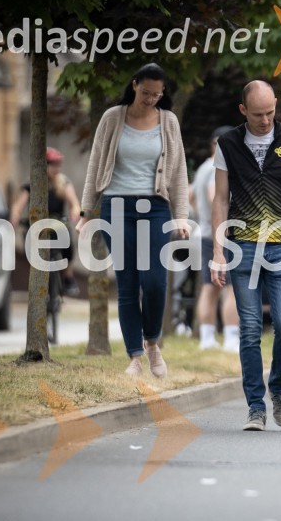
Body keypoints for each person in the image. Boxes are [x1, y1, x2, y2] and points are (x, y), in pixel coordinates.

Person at [210, 79, 281, 432]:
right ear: (243, 111)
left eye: (271, 112)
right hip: (242, 246)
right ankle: (256, 406)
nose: (266, 120)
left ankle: (279, 389)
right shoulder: (227, 144)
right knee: (251, 329)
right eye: (258, 115)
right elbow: (221, 199)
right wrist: (217, 250)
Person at [76, 63, 190, 379]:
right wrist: (87, 212)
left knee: (154, 281)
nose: (151, 98)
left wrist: (181, 216)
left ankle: (152, 342)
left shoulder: (168, 122)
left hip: (155, 207)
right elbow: (95, 164)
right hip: (117, 206)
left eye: (157, 94)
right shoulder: (113, 118)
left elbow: (179, 171)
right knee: (127, 284)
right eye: (146, 92)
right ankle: (135, 355)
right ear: (134, 84)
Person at [189, 126, 240, 352]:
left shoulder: (202, 169)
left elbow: (191, 197)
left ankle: (207, 339)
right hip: (222, 235)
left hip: (206, 233)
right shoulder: (216, 169)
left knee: (209, 287)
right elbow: (214, 198)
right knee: (232, 288)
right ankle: (231, 339)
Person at [10, 147, 82, 296]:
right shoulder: (31, 184)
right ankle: (37, 280)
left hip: (57, 224)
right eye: (52, 164)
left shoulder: (63, 182)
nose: (56, 168)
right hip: (37, 226)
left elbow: (74, 203)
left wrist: (75, 213)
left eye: (58, 164)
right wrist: (14, 221)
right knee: (31, 249)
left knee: (68, 246)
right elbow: (17, 207)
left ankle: (68, 277)